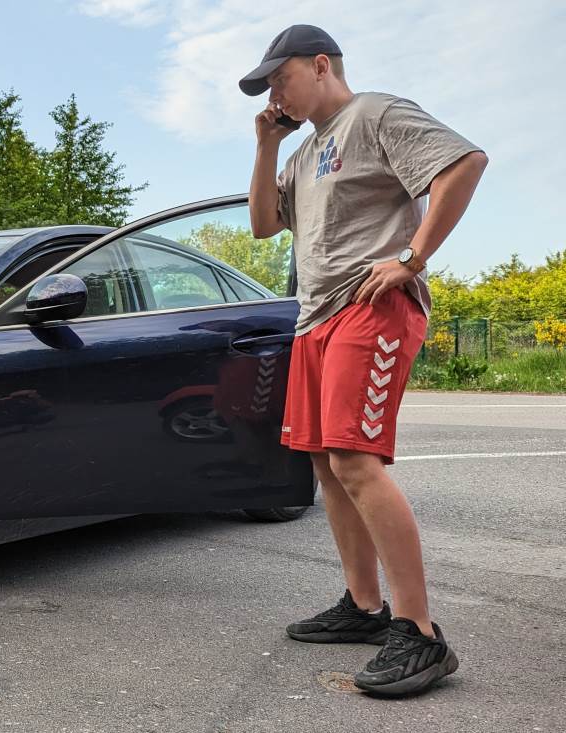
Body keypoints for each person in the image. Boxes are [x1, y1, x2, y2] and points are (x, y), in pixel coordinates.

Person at [242, 25, 487, 696]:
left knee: (355, 459)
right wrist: (267, 145)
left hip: (370, 307)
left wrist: (412, 257)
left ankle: (421, 634)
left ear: (321, 65)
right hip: (314, 318)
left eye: (280, 77)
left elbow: (463, 164)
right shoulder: (305, 150)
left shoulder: (373, 113)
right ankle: (365, 607)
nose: (274, 91)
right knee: (325, 461)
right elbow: (265, 224)